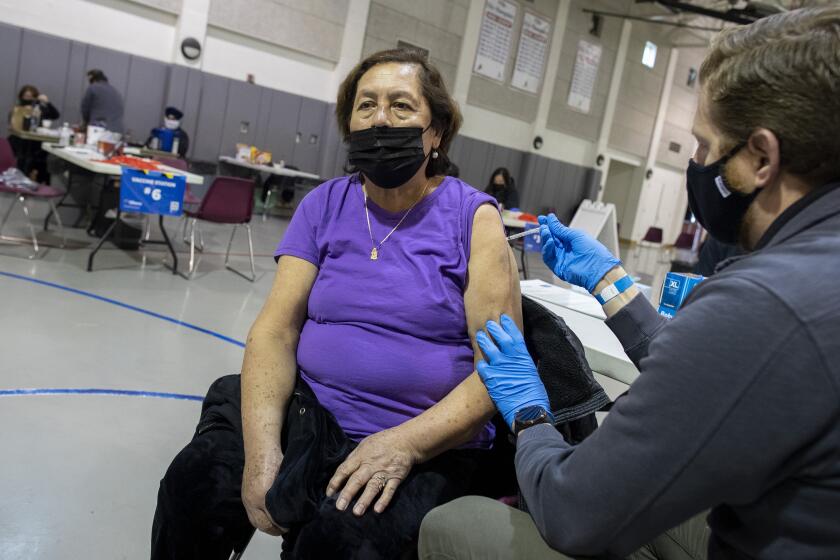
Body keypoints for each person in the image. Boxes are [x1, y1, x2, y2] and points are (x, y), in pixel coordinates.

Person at [420, 7, 840, 559]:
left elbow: (571, 511)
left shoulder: (765, 301)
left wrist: (529, 411)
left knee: (461, 524)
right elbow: (721, 376)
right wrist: (611, 282)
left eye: (705, 145)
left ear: (761, 156)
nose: (696, 161)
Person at [151, 48, 522, 558]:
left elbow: (501, 368)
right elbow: (274, 332)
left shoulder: (474, 219)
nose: (380, 119)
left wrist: (403, 445)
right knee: (193, 485)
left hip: (426, 443)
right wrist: (262, 452)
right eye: (366, 105)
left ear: (435, 132)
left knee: (335, 544)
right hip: (312, 414)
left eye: (401, 106)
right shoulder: (324, 205)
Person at [7, 85, 60, 182]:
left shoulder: (39, 109)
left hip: (35, 142)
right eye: (26, 96)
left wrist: (47, 102)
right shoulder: (16, 109)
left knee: (37, 152)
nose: (28, 99)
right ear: (22, 96)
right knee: (23, 151)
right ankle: (21, 176)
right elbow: (11, 125)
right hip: (20, 140)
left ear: (35, 97)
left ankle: (33, 176)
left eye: (31, 97)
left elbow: (55, 115)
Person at [80, 69, 124, 133]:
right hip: (117, 131)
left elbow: (85, 109)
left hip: (99, 129)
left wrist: (85, 123)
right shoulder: (115, 91)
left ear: (93, 79)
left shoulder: (93, 88)